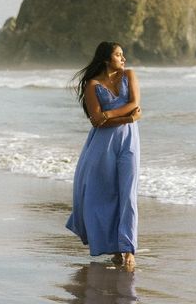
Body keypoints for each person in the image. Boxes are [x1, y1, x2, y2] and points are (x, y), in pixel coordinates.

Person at [66, 41, 141, 270]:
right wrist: (126, 118)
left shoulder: (129, 75)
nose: (124, 58)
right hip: (102, 146)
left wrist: (109, 115)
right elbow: (97, 121)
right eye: (119, 55)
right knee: (103, 194)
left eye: (123, 54)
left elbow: (135, 103)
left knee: (128, 195)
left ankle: (128, 248)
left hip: (129, 142)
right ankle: (114, 248)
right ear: (107, 59)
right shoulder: (92, 85)